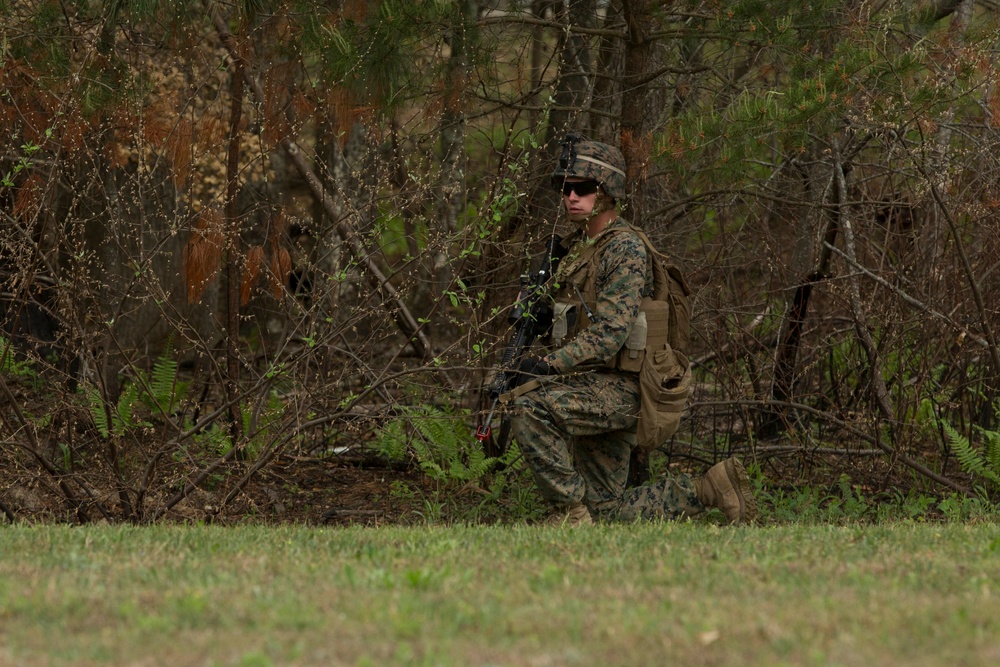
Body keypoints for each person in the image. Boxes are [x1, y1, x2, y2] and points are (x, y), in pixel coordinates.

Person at [507, 135, 757, 526]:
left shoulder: (623, 249)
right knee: (607, 513)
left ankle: (569, 513)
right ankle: (712, 487)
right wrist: (543, 322)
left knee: (528, 406)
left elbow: (610, 333)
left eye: (583, 188)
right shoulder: (578, 248)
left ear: (606, 193)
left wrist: (547, 365)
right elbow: (580, 321)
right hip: (592, 384)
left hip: (624, 389)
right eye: (566, 188)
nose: (571, 196)